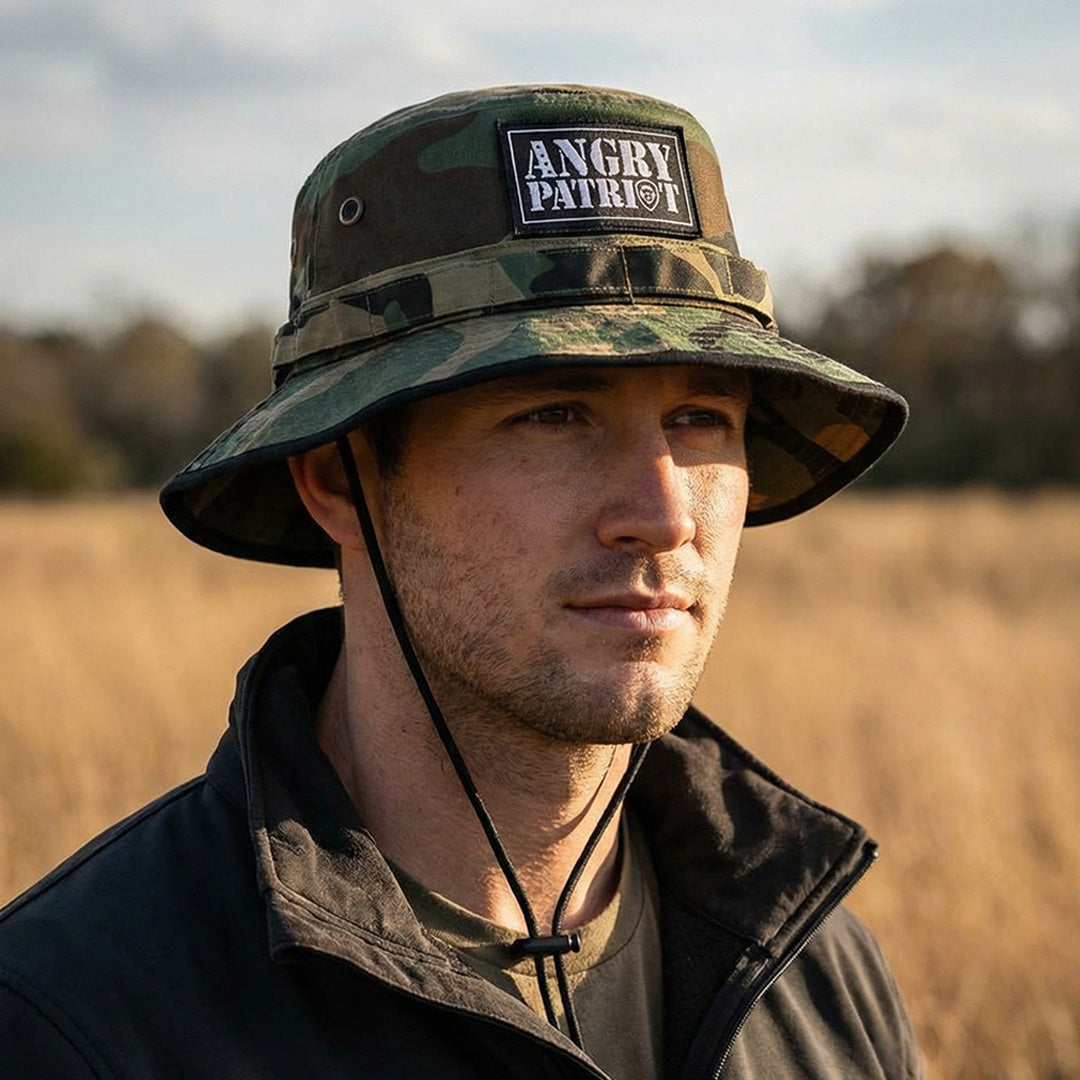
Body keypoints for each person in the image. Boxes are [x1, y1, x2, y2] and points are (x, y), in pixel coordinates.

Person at [0, 85, 921, 1079]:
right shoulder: (78, 1017)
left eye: (702, 419)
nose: (661, 515)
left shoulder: (815, 973)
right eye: (554, 415)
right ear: (337, 478)